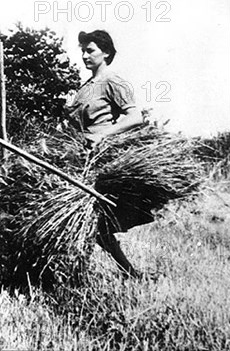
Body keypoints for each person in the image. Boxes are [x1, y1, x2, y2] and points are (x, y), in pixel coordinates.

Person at [66, 30, 147, 277]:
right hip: (82, 157)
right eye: (82, 50)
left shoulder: (112, 80)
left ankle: (82, 271)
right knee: (93, 222)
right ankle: (129, 271)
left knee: (91, 218)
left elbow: (135, 116)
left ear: (106, 53)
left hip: (102, 158)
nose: (84, 55)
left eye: (90, 50)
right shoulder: (85, 87)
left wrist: (103, 135)